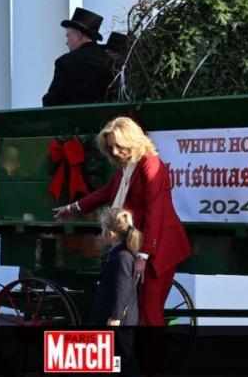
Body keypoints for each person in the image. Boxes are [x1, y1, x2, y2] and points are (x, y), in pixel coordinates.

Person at [53, 117, 191, 326]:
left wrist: (144, 255)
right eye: (110, 148)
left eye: (118, 146)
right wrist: (73, 207)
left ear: (132, 139)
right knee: (142, 312)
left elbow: (156, 211)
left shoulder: (150, 163)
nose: (115, 152)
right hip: (143, 243)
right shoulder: (127, 166)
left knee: (149, 312)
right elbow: (108, 191)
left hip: (160, 247)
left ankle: (152, 359)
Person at [41, 7, 113, 106]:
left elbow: (52, 100)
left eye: (68, 36)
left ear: (79, 35)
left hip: (73, 119)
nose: (67, 42)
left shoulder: (66, 61)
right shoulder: (111, 59)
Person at [92, 208, 141, 326]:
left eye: (103, 230)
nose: (102, 233)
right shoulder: (117, 254)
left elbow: (122, 288)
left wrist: (116, 316)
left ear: (110, 234)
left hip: (120, 322)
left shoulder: (122, 257)